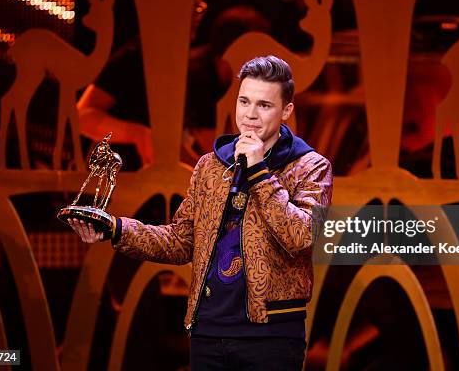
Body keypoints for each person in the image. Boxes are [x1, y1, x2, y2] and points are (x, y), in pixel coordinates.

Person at [68, 55, 333, 370]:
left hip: (271, 336)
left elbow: (302, 237)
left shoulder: (312, 167)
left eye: (264, 105)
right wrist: (116, 228)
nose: (249, 115)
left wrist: (260, 173)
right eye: (244, 102)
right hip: (209, 331)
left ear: (286, 111)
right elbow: (182, 241)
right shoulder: (211, 165)